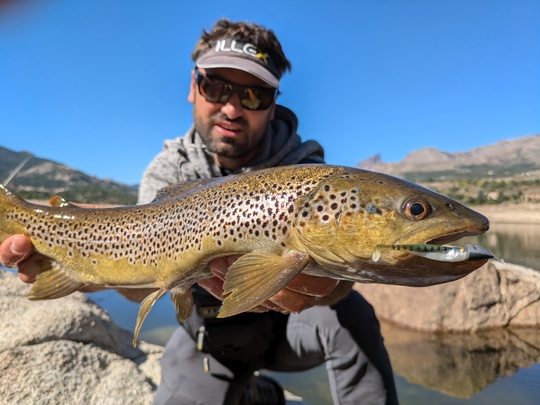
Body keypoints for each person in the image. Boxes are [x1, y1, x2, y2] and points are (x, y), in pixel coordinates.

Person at [0, 19, 399, 405]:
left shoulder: (307, 169)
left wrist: (334, 284)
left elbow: (344, 266)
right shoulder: (169, 170)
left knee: (353, 314)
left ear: (273, 105)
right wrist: (88, 265)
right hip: (209, 338)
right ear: (194, 87)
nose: (231, 108)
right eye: (215, 86)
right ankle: (256, 394)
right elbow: (144, 276)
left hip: (293, 332)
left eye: (254, 95)